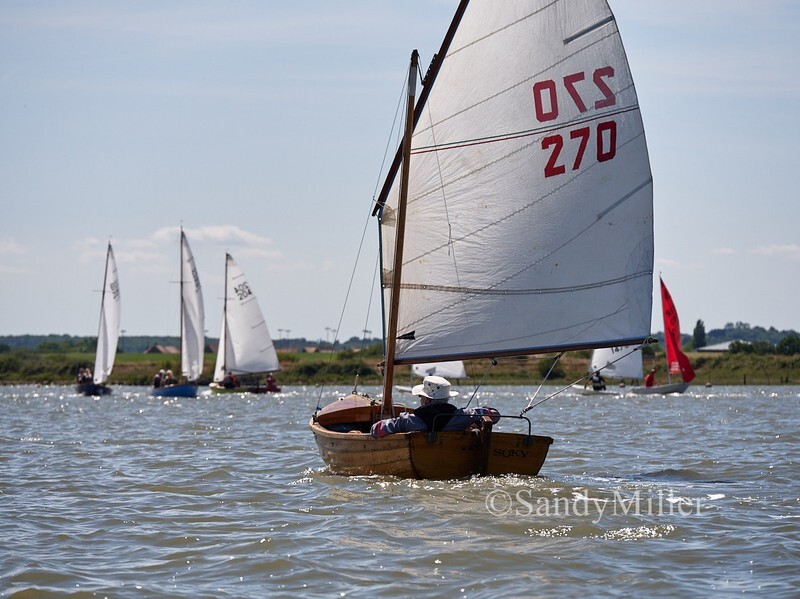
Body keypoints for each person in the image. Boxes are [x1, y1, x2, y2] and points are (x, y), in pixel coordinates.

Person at [370, 375, 500, 438]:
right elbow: (494, 415)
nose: (420, 399)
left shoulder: (407, 420)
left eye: (420, 396)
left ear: (426, 400)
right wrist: (476, 422)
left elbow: (375, 430)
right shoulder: (464, 415)